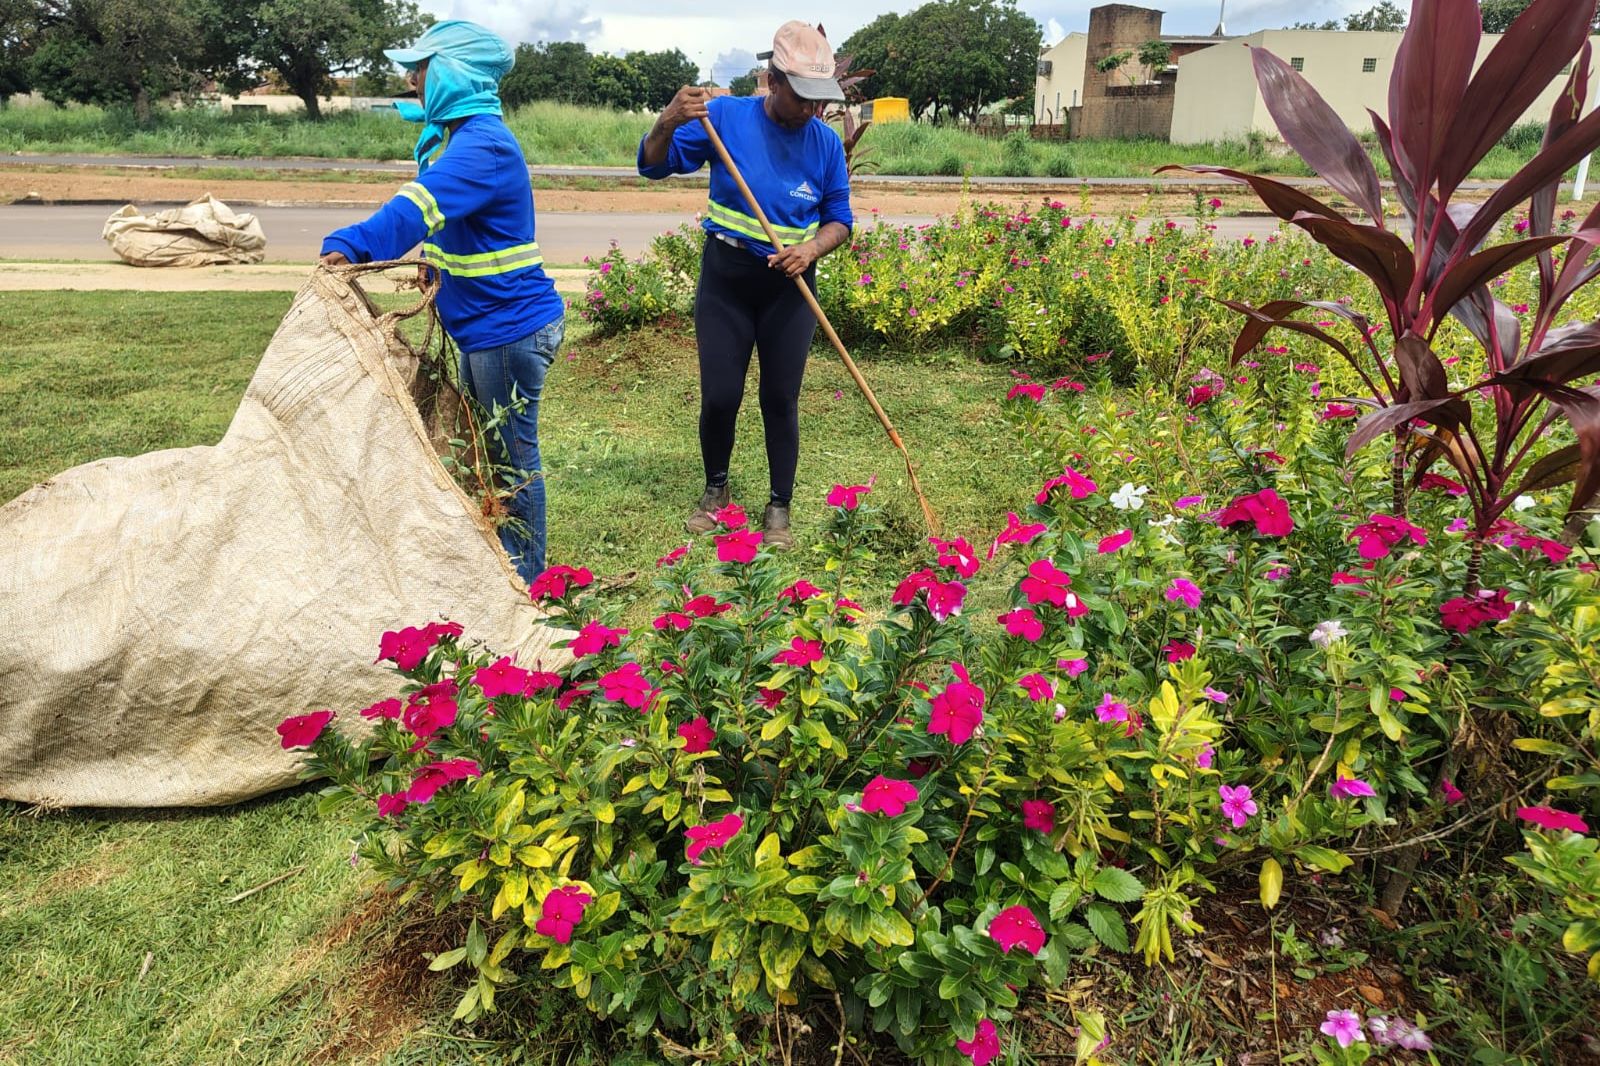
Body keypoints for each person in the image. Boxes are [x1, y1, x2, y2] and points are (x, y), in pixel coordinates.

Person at [319, 21, 565, 584]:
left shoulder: (483, 148)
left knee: (511, 456)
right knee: (493, 449)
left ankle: (526, 579)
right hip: (491, 329)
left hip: (509, 332)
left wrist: (350, 246)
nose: (412, 78)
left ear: (455, 74)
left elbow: (415, 209)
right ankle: (506, 559)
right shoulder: (463, 141)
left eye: (422, 67)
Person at [637, 21, 853, 550]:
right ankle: (716, 491)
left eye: (818, 100)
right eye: (802, 97)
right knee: (720, 396)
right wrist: (667, 121)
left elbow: (840, 220)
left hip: (790, 290)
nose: (811, 110)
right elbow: (652, 165)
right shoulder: (726, 119)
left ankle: (779, 505)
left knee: (780, 398)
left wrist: (811, 250)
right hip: (726, 282)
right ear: (772, 81)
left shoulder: (825, 144)